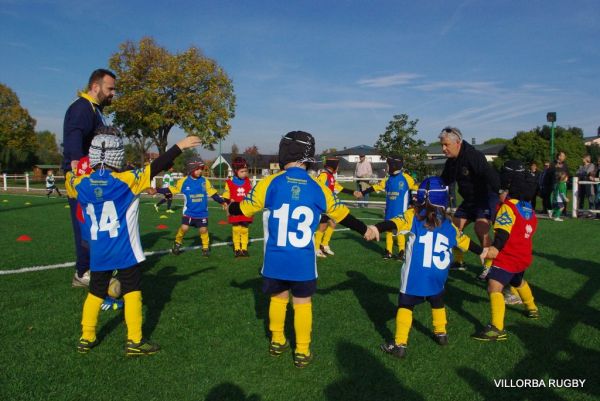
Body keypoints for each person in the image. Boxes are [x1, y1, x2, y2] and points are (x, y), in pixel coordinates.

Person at [227, 131, 370, 368]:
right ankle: (302, 351)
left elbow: (244, 208)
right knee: (302, 303)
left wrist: (230, 208)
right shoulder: (317, 187)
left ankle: (277, 340)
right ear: (308, 156)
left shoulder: (269, 182)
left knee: (278, 298)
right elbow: (342, 214)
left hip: (275, 259)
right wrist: (365, 229)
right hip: (303, 261)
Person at [65, 126, 202, 355]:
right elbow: (156, 166)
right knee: (132, 290)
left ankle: (86, 336)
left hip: (98, 250)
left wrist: (74, 168)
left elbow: (71, 179)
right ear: (117, 155)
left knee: (95, 292)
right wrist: (180, 145)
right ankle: (135, 340)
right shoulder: (127, 180)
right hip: (123, 249)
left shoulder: (80, 183)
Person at [364, 177, 487, 358]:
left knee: (405, 304)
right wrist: (481, 252)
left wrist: (376, 228)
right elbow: (464, 241)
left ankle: (399, 344)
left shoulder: (413, 215)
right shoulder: (448, 223)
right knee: (437, 299)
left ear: (419, 196)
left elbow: (394, 223)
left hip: (416, 274)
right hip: (438, 274)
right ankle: (441, 333)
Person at [472, 160, 539, 341]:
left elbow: (502, 235)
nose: (499, 194)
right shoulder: (528, 208)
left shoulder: (507, 209)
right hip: (523, 256)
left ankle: (496, 328)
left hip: (508, 257)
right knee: (518, 282)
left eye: (501, 191)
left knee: (494, 287)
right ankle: (532, 308)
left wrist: (492, 250)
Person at [63, 68, 116, 288]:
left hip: (93, 177)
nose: (113, 93)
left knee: (98, 224)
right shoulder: (82, 108)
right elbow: (74, 134)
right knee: (86, 226)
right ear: (96, 87)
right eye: (110, 88)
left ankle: (97, 266)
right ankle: (83, 272)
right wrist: (76, 161)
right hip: (82, 179)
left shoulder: (95, 110)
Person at [438, 127, 499, 277]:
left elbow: (490, 176)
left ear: (457, 143)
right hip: (470, 200)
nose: (443, 149)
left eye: (446, 145)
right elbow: (443, 181)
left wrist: (501, 192)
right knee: (454, 228)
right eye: (442, 145)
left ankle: (490, 267)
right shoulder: (451, 162)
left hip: (485, 197)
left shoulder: (473, 156)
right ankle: (459, 262)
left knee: (480, 229)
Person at [356, 154, 418, 260]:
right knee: (388, 230)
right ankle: (388, 251)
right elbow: (377, 187)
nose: (386, 168)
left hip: (401, 212)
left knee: (399, 231)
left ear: (394, 166)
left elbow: (416, 188)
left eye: (388, 165)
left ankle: (401, 251)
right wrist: (363, 192)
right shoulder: (388, 179)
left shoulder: (406, 178)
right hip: (389, 210)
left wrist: (414, 201)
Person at [164, 158, 228, 257]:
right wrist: (156, 190)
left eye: (201, 169)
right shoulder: (184, 181)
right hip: (188, 212)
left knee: (203, 230)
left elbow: (213, 194)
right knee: (184, 228)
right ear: (191, 169)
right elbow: (171, 189)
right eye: (197, 169)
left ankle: (205, 248)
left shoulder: (204, 181)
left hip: (202, 212)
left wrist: (222, 202)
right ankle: (177, 243)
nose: (200, 171)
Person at [314, 157, 362, 258]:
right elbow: (318, 188)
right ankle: (316, 248)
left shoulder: (330, 176)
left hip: (329, 206)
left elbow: (338, 187)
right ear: (334, 166)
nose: (339, 167)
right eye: (338, 165)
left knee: (332, 224)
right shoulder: (323, 176)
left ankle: (324, 245)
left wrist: (353, 192)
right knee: (323, 227)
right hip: (324, 206)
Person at [222, 157, 254, 257]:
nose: (245, 173)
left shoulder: (248, 181)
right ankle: (237, 249)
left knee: (244, 229)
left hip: (245, 209)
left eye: (246, 171)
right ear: (236, 171)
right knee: (236, 229)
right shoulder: (229, 182)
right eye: (242, 171)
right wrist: (226, 204)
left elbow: (252, 194)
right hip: (235, 209)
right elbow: (226, 197)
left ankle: (244, 248)